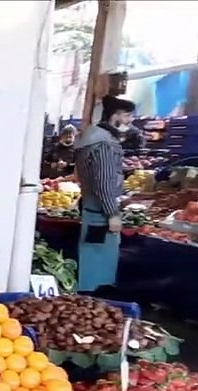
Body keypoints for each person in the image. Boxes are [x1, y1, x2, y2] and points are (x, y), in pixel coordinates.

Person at [73, 95, 133, 292]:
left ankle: (88, 294)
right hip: (101, 214)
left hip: (90, 207)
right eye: (126, 115)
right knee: (99, 263)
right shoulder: (104, 144)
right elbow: (104, 182)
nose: (129, 120)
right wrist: (112, 213)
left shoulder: (89, 139)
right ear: (114, 116)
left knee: (90, 256)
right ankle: (95, 297)